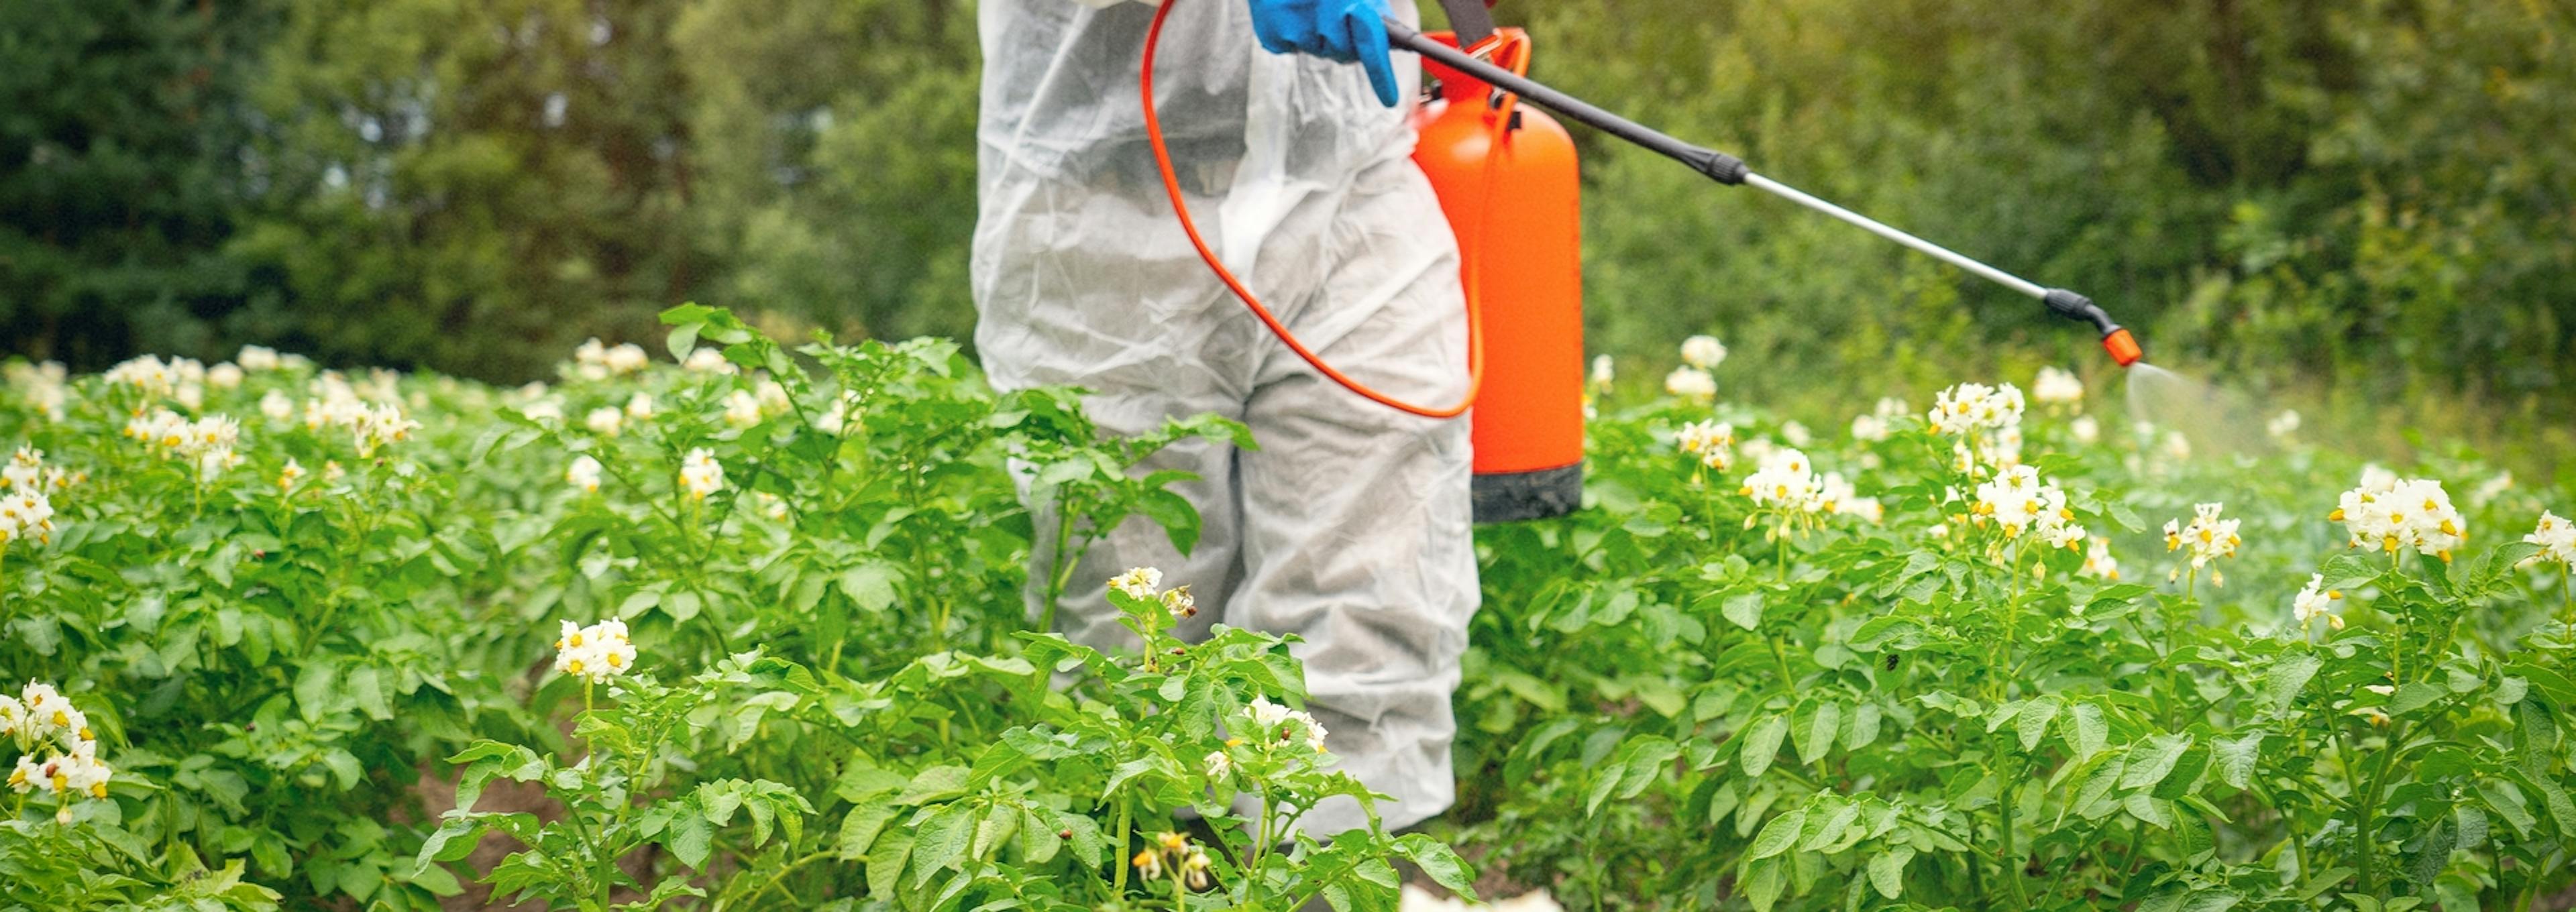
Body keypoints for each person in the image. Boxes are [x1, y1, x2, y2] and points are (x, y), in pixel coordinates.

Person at [970, 0, 1477, 837]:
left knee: (1372, 594)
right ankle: (1161, 871)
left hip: (1355, 171)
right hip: (1101, 203)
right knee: (1133, 634)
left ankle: (1327, 882)